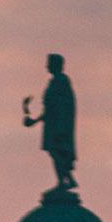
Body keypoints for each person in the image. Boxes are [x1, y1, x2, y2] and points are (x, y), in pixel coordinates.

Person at [23, 53, 77, 190]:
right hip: (53, 124)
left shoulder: (61, 81)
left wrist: (60, 127)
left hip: (59, 126)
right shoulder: (55, 82)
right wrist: (34, 121)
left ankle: (65, 180)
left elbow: (62, 106)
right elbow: (50, 109)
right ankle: (66, 179)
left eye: (49, 63)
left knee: (57, 150)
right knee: (55, 151)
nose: (47, 66)